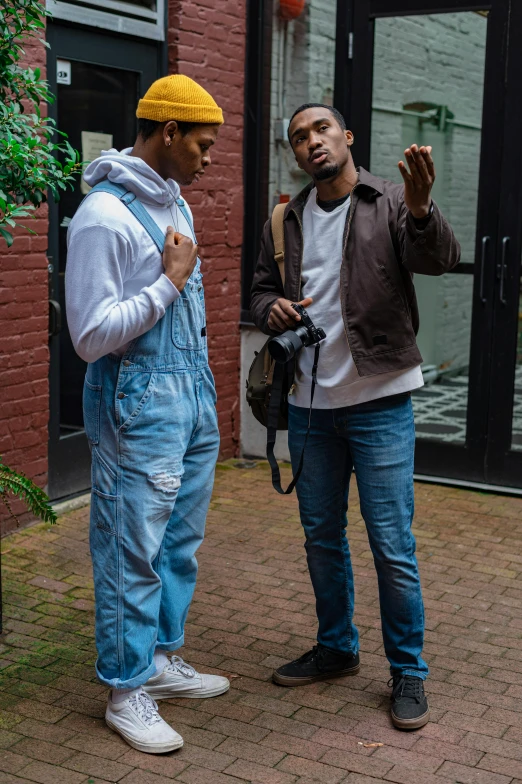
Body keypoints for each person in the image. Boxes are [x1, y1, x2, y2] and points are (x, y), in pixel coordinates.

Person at [250, 103, 460, 730]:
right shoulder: (283, 219)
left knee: (391, 543)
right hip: (310, 406)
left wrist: (423, 210)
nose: (311, 142)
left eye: (320, 130)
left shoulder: (391, 200)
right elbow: (260, 290)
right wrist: (272, 309)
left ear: (345, 137)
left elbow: (439, 259)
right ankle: (337, 648)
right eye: (297, 138)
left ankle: (408, 672)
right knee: (321, 537)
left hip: (380, 401)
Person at [66, 75, 229, 754]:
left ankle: (159, 661)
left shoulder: (177, 204)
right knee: (131, 550)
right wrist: (168, 283)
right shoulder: (103, 217)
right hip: (138, 404)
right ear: (168, 133)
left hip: (190, 397)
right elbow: (88, 335)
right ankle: (125, 690)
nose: (210, 158)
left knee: (177, 545)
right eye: (203, 144)